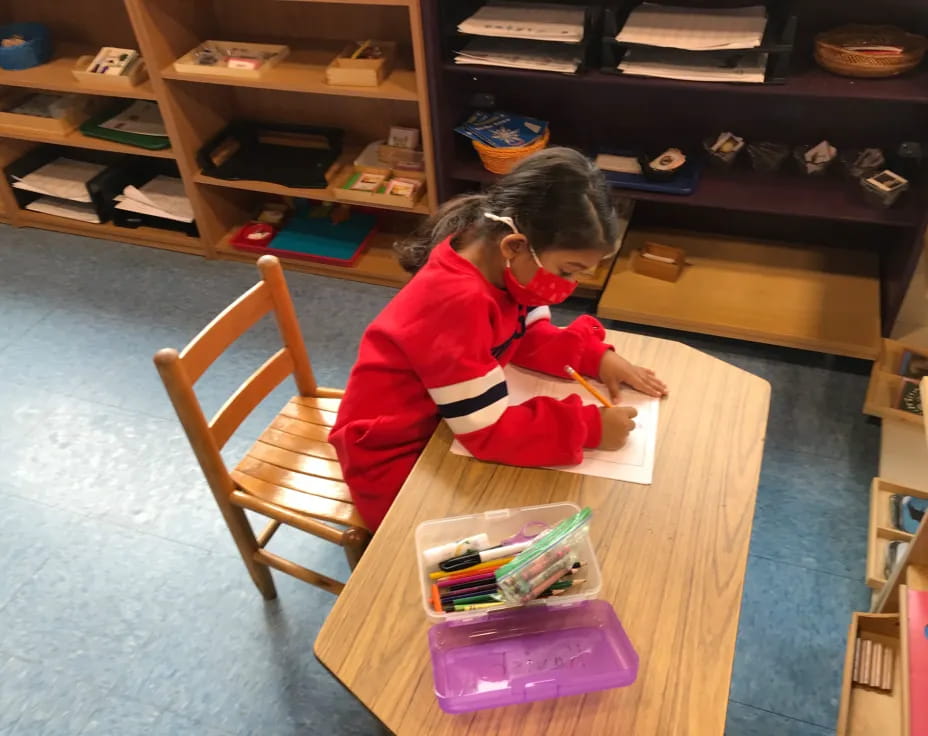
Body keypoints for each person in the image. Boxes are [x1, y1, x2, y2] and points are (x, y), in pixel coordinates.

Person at [330, 148, 667, 531]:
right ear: (515, 246)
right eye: (568, 270)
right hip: (393, 451)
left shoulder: (496, 260)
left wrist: (594, 357)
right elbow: (486, 430)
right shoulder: (458, 301)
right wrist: (589, 428)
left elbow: (526, 337)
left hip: (443, 425)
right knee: (479, 551)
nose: (570, 287)